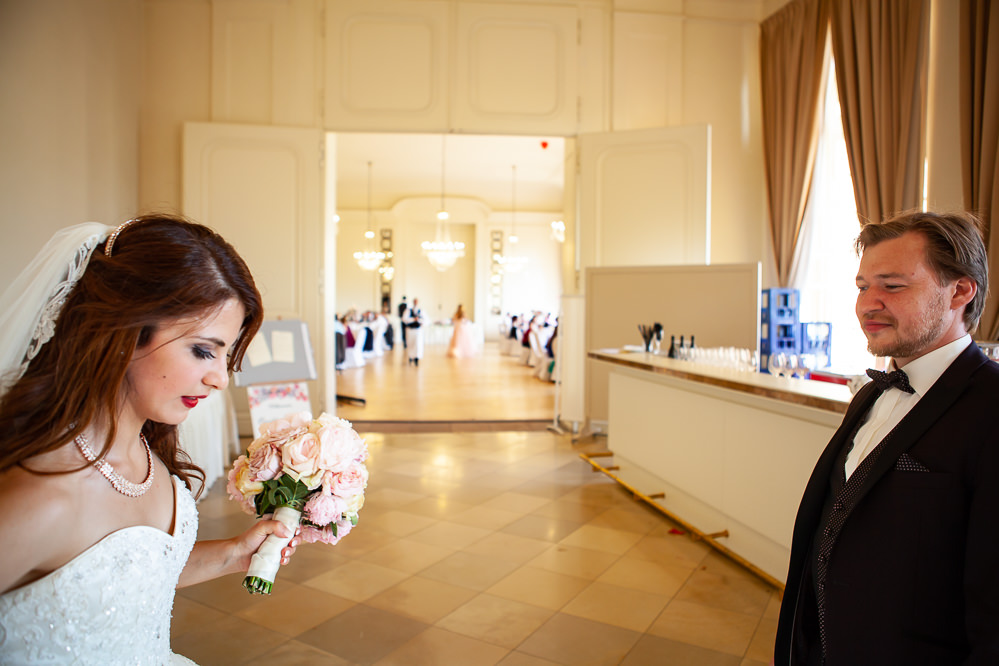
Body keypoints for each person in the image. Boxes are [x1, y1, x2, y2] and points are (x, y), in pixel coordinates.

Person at [0, 215, 300, 664]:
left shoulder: (149, 453)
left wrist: (233, 553)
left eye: (226, 354)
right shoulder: (42, 496)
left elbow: (130, 582)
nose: (220, 378)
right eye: (202, 350)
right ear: (125, 332)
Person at [775, 210, 999, 665]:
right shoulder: (871, 395)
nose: (867, 304)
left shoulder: (992, 408)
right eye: (862, 286)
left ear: (959, 291)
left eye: (892, 286)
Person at [402, 297, 425, 366]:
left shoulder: (421, 311)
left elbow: (425, 320)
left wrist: (419, 320)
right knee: (411, 344)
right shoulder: (408, 310)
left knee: (417, 344)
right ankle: (411, 357)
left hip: (418, 330)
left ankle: (416, 358)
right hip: (410, 330)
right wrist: (413, 319)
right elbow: (404, 319)